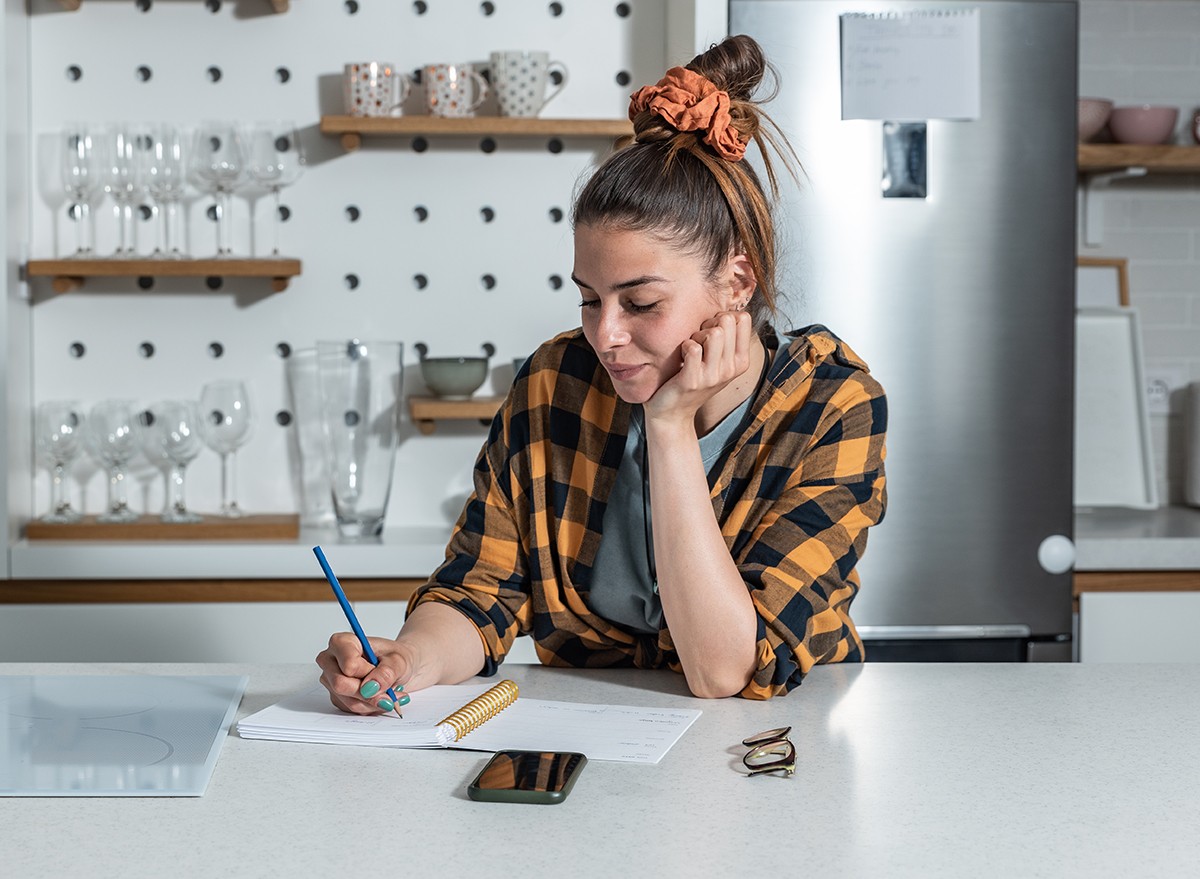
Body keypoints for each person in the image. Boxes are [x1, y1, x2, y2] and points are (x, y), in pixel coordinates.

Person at [317, 34, 887, 707]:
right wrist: (409, 657)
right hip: (593, 746)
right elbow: (481, 592)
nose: (606, 335)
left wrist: (669, 424)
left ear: (738, 280)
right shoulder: (555, 381)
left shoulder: (833, 405)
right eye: (590, 298)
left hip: (771, 753)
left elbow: (726, 670)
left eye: (641, 302)